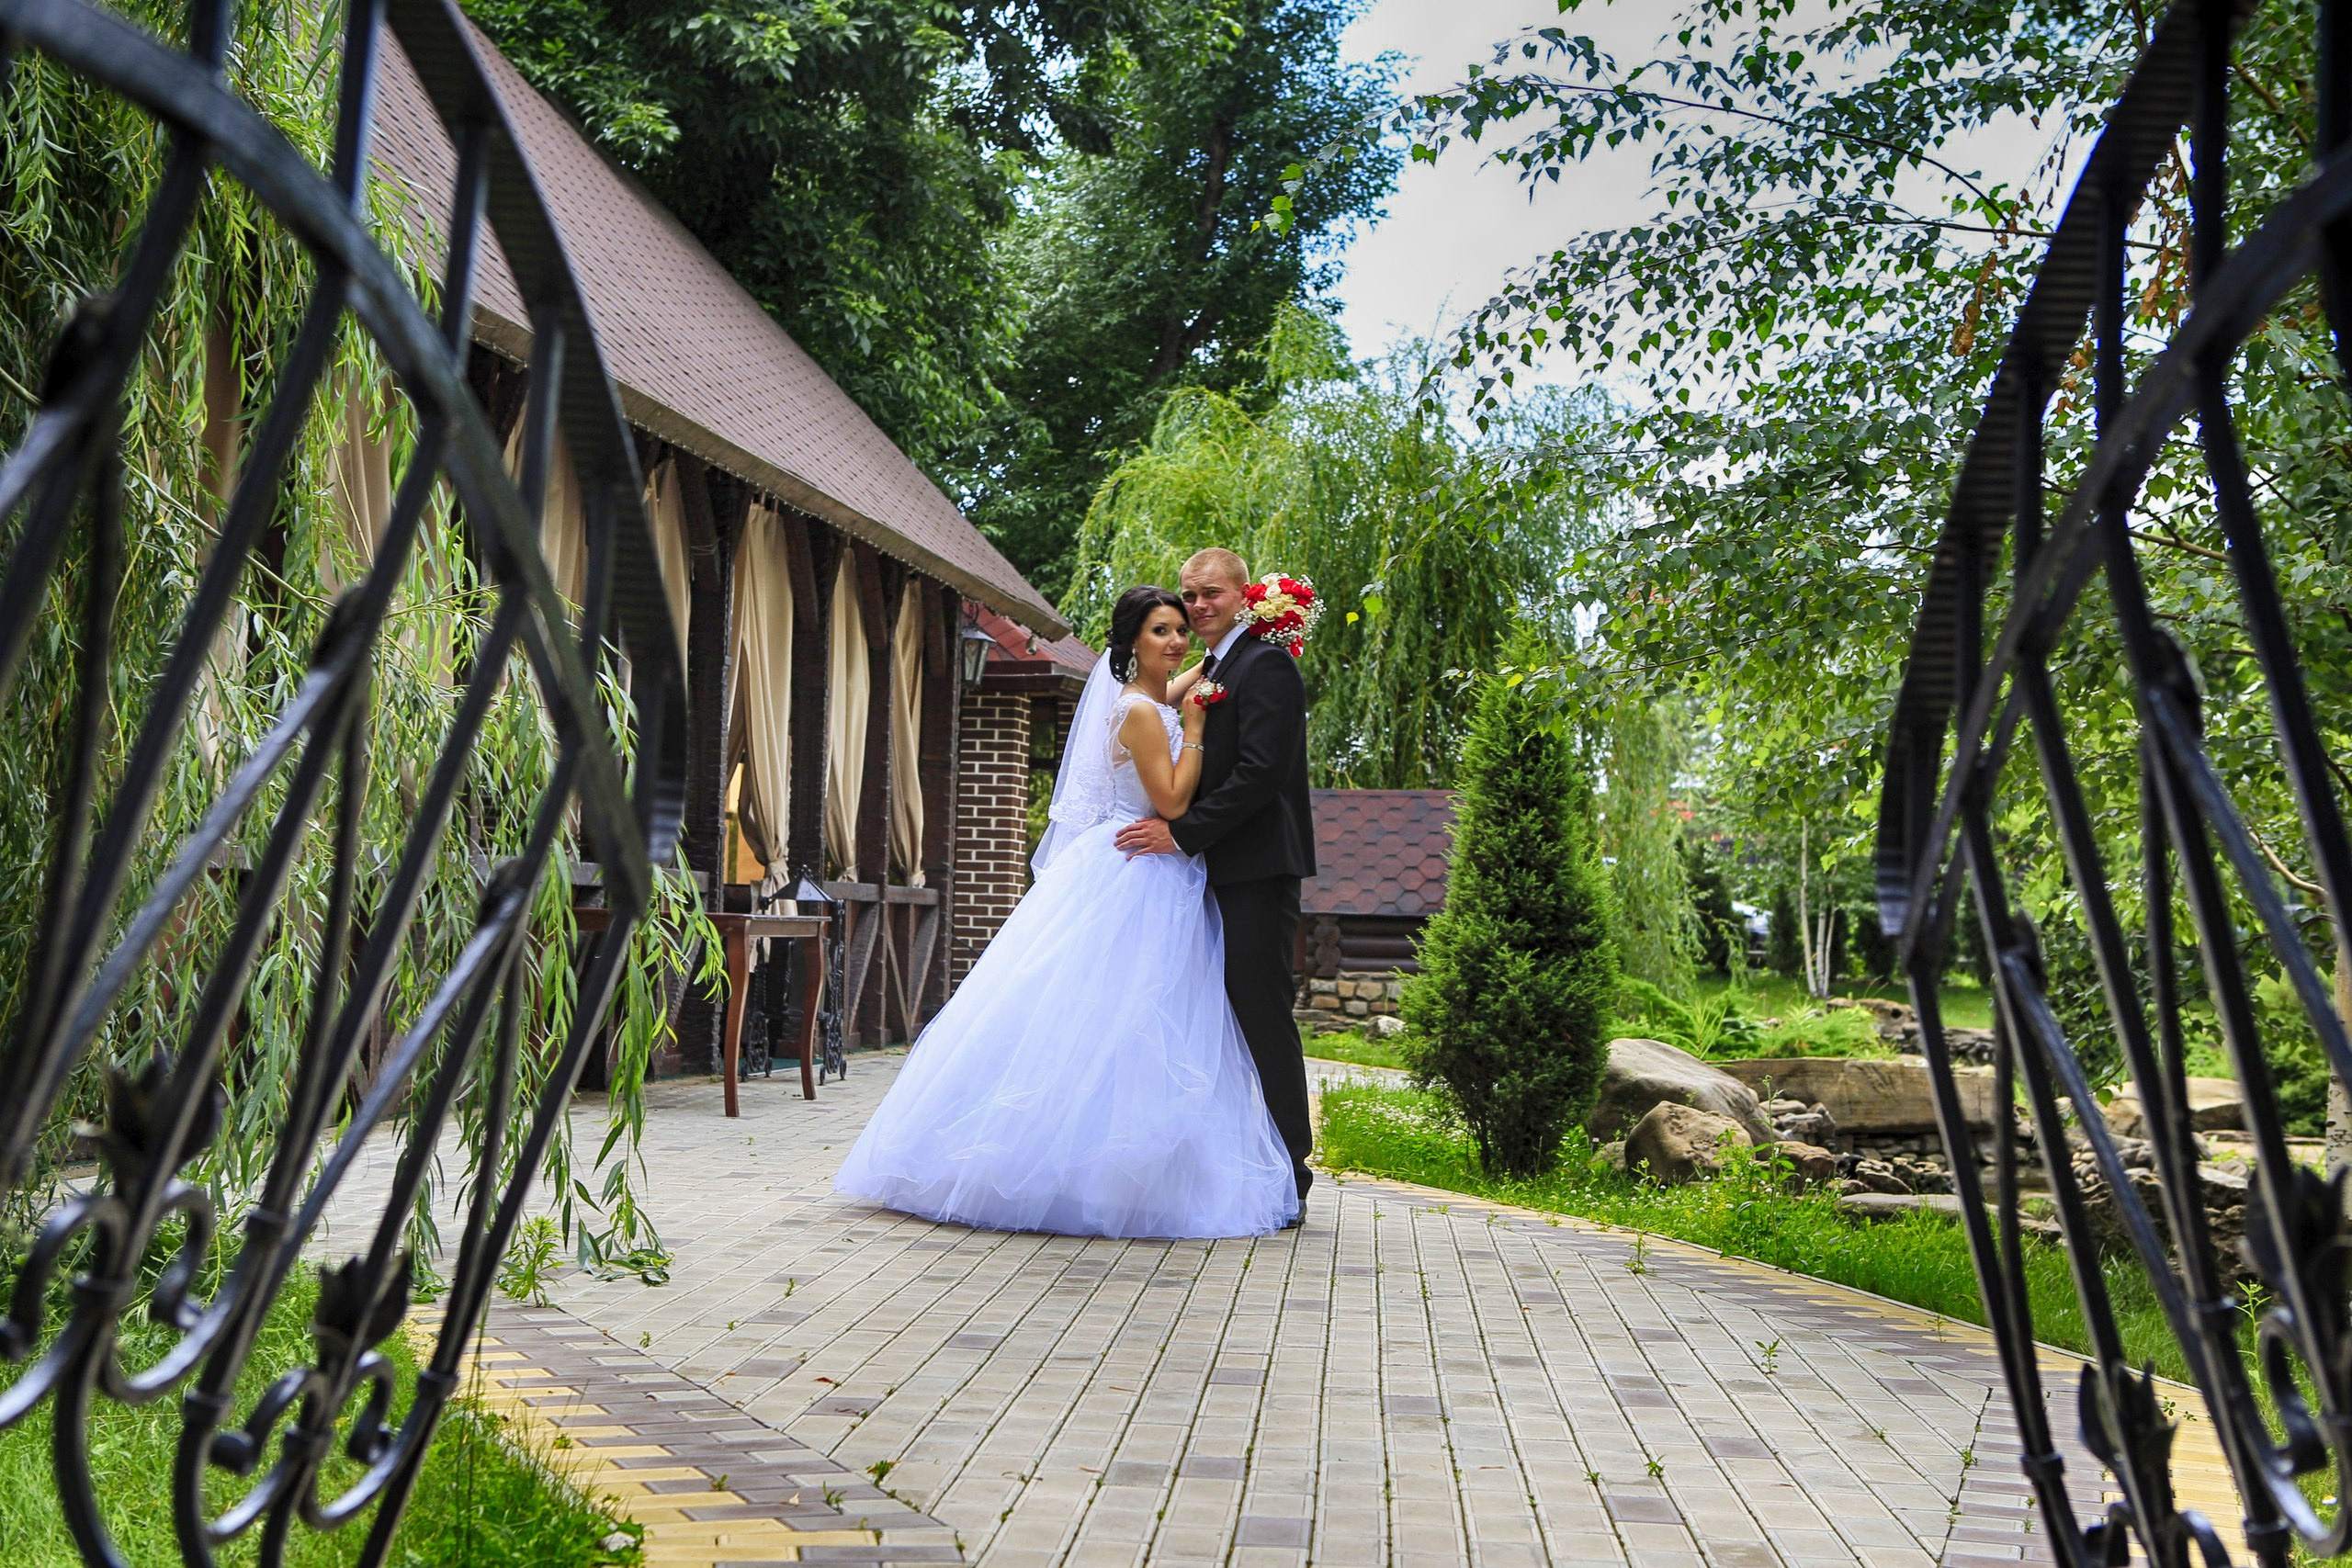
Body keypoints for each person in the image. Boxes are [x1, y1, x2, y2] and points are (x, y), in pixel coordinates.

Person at [831, 585, 1297, 1238]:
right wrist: (1194, 730)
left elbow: (1203, 673)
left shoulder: (1150, 694)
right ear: (1133, 641)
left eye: (1180, 629)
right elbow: (1167, 801)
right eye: (1161, 630)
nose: (1177, 640)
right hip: (1139, 865)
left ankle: (1128, 1169)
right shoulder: (1143, 711)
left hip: (1151, 870)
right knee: (1122, 1018)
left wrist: (1253, 627)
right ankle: (1075, 1170)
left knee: (1135, 1023)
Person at [1114, 548, 1317, 1221]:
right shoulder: (1220, 664)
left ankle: (1291, 1169)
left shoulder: (1267, 666)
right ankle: (1235, 1163)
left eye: (1210, 595)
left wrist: (1181, 833)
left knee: (1260, 1013)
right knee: (1217, 1018)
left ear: (1243, 594)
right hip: (1211, 868)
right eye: (1188, 596)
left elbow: (1260, 773)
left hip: (1256, 867)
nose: (1198, 606)